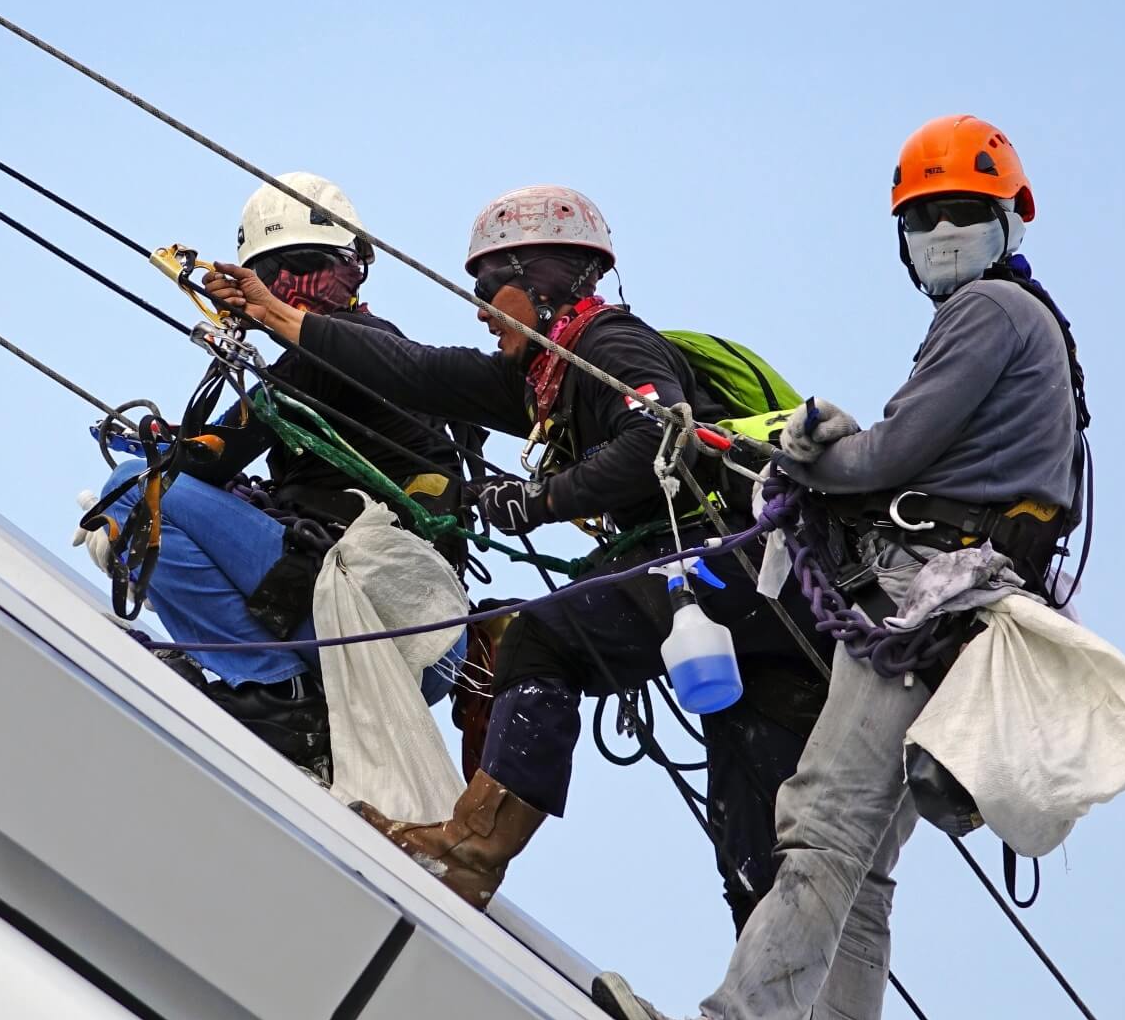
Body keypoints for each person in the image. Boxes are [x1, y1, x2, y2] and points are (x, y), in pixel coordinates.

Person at [589, 116, 1088, 1020]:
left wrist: (806, 449)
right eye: (925, 217)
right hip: (969, 617)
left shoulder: (989, 310)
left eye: (959, 212)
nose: (942, 230)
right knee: (857, 883)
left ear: (1007, 221)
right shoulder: (1036, 331)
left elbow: (889, 455)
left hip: (929, 612)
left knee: (816, 829)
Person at [205, 186, 831, 922]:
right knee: (748, 824)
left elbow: (656, 436)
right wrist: (285, 319)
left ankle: (470, 848)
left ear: (542, 277)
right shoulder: (542, 377)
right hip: (765, 603)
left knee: (541, 635)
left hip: (729, 563)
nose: (477, 307)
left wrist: (539, 501)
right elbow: (418, 370)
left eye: (486, 286)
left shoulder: (610, 346)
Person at [87, 172, 467, 780]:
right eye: (272, 277)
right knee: (171, 495)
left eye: (309, 269)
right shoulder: (367, 360)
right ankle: (291, 702)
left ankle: (274, 691)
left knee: (135, 490)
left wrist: (167, 450)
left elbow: (211, 454)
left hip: (385, 619)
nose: (291, 291)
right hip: (415, 638)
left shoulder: (344, 348)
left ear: (355, 272)